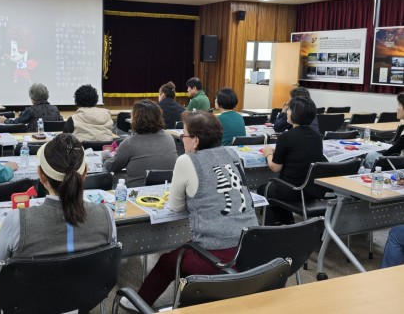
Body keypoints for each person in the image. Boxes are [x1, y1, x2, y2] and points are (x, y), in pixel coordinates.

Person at [120, 110, 258, 309]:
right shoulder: (232, 153)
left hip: (218, 256)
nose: (182, 139)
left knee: (168, 261)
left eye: (184, 135)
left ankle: (139, 304)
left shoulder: (187, 161)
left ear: (195, 140)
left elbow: (175, 206)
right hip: (251, 250)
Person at [0, 134, 116, 278]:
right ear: (85, 173)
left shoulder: (16, 220)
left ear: (41, 176)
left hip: (31, 299)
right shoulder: (106, 215)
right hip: (87, 298)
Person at [258, 96, 324, 225]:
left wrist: (268, 154)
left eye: (289, 109)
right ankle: (287, 222)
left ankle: (277, 227)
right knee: (276, 189)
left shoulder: (286, 137)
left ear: (295, 114)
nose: (287, 112)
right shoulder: (317, 136)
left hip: (292, 190)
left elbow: (275, 168)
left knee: (263, 189)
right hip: (312, 190)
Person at [102, 99, 177, 187]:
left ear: (135, 119)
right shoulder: (169, 137)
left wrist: (105, 156)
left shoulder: (129, 142)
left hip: (136, 194)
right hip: (166, 191)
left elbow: (110, 167)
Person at [363, 93, 404, 169]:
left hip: (399, 165)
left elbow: (393, 151)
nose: (397, 109)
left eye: (399, 105)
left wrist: (381, 154)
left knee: (371, 155)